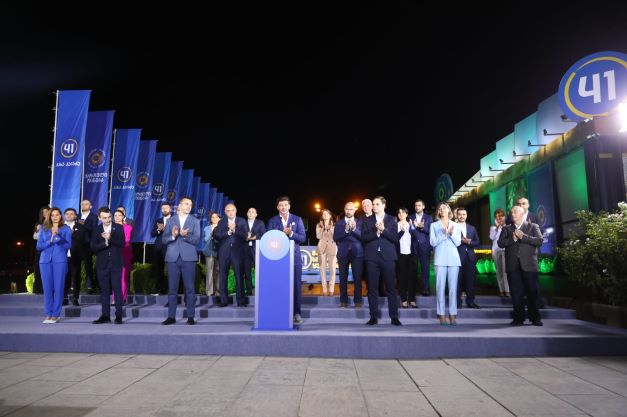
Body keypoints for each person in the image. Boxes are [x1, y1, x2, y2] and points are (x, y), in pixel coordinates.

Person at [498, 205, 544, 326]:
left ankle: (535, 318)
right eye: (512, 212)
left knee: (532, 292)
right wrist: (513, 239)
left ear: (523, 214)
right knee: (516, 293)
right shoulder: (507, 229)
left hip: (529, 266)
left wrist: (523, 237)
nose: (513, 214)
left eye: (515, 212)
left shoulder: (533, 226)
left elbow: (539, 241)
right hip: (512, 266)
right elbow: (500, 243)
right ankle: (518, 318)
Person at [361, 196, 401, 326]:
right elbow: (363, 237)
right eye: (373, 204)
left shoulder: (392, 219)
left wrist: (383, 230)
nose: (374, 206)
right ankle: (373, 317)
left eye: (377, 204)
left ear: (384, 205)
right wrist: (376, 234)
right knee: (372, 288)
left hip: (388, 257)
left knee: (391, 288)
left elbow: (395, 238)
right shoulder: (367, 220)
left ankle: (394, 317)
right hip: (371, 257)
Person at [266, 196, 306, 325]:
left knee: (296, 286)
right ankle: (279, 312)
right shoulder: (272, 221)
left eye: (285, 205)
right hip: (277, 258)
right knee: (278, 285)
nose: (283, 207)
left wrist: (291, 234)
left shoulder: (297, 219)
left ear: (289, 206)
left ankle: (296, 313)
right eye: (281, 205)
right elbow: (268, 238)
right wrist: (281, 234)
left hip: (294, 257)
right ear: (277, 207)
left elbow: (303, 238)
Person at [161, 197, 201, 325]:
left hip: (189, 258)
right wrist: (174, 235)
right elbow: (164, 240)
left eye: (190, 205)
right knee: (172, 289)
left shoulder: (195, 221)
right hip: (172, 258)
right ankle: (171, 317)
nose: (189, 206)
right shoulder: (171, 220)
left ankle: (190, 316)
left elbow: (196, 240)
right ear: (180, 205)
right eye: (186, 204)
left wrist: (185, 236)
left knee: (190, 288)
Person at [36, 207, 72, 324]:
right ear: (49, 217)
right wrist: (50, 241)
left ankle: (55, 314)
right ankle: (48, 313)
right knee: (47, 289)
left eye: (57, 215)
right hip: (44, 262)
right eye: (52, 215)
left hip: (60, 261)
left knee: (58, 288)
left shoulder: (66, 229)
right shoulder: (44, 229)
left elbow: (68, 246)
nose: (55, 217)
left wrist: (57, 237)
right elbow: (38, 246)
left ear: (61, 216)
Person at [91, 207, 125, 325]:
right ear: (99, 218)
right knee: (104, 290)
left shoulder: (118, 227)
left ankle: (119, 316)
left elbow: (122, 243)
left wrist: (110, 239)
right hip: (102, 264)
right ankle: (105, 315)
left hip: (116, 263)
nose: (108, 219)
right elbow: (93, 247)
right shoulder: (96, 229)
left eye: (109, 217)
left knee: (117, 289)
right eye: (104, 218)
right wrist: (104, 244)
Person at [430, 202, 461, 326]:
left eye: (444, 207)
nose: (442, 209)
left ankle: (453, 314)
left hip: (454, 259)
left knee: (453, 289)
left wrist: (451, 234)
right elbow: (432, 242)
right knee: (440, 288)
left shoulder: (456, 225)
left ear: (449, 210)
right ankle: (441, 314)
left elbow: (458, 243)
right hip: (440, 259)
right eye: (440, 208)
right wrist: (444, 234)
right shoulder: (434, 225)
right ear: (438, 212)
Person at [213, 203, 248, 307]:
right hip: (224, 253)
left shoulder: (241, 221)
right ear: (225, 212)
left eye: (232, 210)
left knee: (239, 276)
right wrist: (228, 233)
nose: (230, 212)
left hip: (237, 253)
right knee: (223, 276)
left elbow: (245, 236)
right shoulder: (222, 222)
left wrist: (234, 230)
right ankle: (223, 300)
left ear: (236, 211)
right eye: (228, 211)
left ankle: (240, 301)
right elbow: (217, 235)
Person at [333, 202, 363, 308]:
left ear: (354, 210)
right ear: (344, 209)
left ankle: (358, 301)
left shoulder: (360, 222)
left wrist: (354, 229)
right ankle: (343, 301)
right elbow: (335, 237)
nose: (349, 211)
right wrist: (345, 230)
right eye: (347, 209)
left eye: (351, 209)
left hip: (357, 253)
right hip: (343, 252)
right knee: (342, 278)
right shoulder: (339, 223)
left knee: (357, 278)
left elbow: (363, 237)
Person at [455, 207, 481, 309]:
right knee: (457, 280)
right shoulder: (453, 226)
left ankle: (471, 302)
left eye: (464, 214)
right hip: (457, 256)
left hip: (470, 257)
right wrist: (462, 241)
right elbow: (451, 240)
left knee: (471, 280)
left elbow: (477, 241)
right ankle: (458, 302)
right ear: (457, 215)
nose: (462, 216)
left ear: (466, 215)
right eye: (460, 214)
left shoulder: (472, 228)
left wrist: (469, 242)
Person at [409, 199, 433, 296]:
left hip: (425, 246)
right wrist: (413, 227)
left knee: (425, 269)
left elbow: (430, 231)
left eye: (419, 205)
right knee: (413, 269)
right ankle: (413, 290)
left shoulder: (428, 217)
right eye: (416, 205)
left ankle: (425, 289)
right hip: (413, 246)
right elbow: (409, 231)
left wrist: (421, 227)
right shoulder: (410, 217)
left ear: (423, 206)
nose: (417, 207)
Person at [396, 207, 419, 309]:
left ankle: (412, 299)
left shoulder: (411, 225)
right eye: (399, 213)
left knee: (412, 277)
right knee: (402, 278)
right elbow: (394, 239)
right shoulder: (395, 225)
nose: (401, 214)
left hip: (411, 254)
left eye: (403, 212)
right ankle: (404, 300)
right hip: (400, 254)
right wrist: (401, 231)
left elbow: (416, 238)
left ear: (406, 214)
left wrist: (412, 227)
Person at [63, 208, 86, 306]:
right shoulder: (60, 226)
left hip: (75, 255)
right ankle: (64, 297)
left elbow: (83, 240)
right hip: (62, 256)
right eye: (67, 214)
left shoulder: (80, 227)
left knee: (76, 276)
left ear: (75, 216)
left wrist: (72, 234)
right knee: (64, 277)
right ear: (64, 215)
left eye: (72, 214)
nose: (69, 215)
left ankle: (75, 297)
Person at [243, 207, 266, 298]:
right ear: (247, 213)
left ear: (256, 214)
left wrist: (254, 238)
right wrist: (246, 237)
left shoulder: (260, 223)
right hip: (245, 249)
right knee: (247, 271)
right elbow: (239, 234)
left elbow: (264, 235)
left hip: (256, 249)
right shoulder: (243, 223)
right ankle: (248, 291)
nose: (251, 213)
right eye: (249, 211)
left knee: (258, 270)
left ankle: (260, 290)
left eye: (253, 212)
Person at [151, 203, 172, 294]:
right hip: (159, 248)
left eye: (166, 208)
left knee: (171, 270)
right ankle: (159, 289)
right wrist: (159, 229)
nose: (164, 209)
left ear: (170, 209)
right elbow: (152, 234)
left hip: (171, 248)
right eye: (162, 208)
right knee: (158, 269)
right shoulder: (158, 220)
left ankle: (171, 290)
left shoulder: (175, 219)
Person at [78, 200, 99, 293]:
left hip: (87, 244)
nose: (83, 205)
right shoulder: (77, 216)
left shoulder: (94, 217)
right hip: (77, 244)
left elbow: (94, 229)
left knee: (88, 265)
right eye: (82, 204)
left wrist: (83, 224)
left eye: (86, 204)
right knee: (75, 265)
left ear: (90, 206)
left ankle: (89, 285)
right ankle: (74, 286)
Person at [316, 209, 338, 296]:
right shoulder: (319, 225)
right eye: (323, 214)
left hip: (332, 248)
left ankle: (331, 289)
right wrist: (323, 228)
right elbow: (318, 236)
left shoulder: (335, 225)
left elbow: (336, 237)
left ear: (330, 215)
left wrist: (331, 229)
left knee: (332, 270)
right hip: (322, 248)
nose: (325, 215)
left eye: (327, 214)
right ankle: (324, 290)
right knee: (322, 270)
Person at [114, 209, 133, 304]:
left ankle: (121, 298)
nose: (117, 217)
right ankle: (115, 298)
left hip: (124, 252)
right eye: (115, 215)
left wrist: (114, 242)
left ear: (123, 217)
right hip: (113, 254)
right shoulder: (111, 227)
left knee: (123, 277)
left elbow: (127, 239)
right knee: (115, 277)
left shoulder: (128, 227)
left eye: (119, 215)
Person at [489, 208, 510, 297]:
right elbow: (491, 237)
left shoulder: (508, 227)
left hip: (505, 251)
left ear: (504, 217)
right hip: (496, 251)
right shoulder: (493, 228)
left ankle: (507, 290)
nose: (498, 218)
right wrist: (497, 229)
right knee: (499, 271)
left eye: (500, 216)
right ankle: (501, 290)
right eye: (496, 216)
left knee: (505, 271)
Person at [32, 206, 50, 295]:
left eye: (46, 211)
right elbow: (34, 237)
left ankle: (47, 288)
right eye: (43, 212)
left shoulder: (53, 222)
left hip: (50, 249)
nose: (45, 214)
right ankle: (38, 288)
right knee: (38, 269)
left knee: (48, 269)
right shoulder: (39, 223)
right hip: (40, 249)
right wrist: (39, 230)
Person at [202, 211, 221, 297]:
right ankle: (209, 291)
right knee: (209, 272)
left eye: (216, 217)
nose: (214, 218)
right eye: (213, 217)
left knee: (218, 272)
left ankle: (218, 291)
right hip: (209, 252)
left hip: (219, 252)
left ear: (219, 218)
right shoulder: (206, 228)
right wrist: (212, 233)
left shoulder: (222, 228)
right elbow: (205, 239)